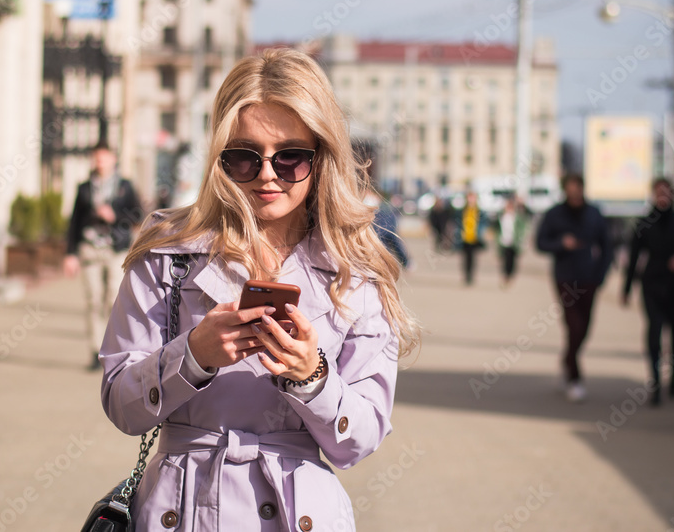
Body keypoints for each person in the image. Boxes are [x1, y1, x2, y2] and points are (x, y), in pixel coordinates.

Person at [99, 49, 421, 530]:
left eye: (291, 156)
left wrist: (312, 377)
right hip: (181, 508)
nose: (268, 173)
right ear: (219, 158)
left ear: (322, 156)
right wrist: (192, 355)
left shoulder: (358, 271)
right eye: (245, 157)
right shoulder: (168, 253)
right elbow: (122, 405)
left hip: (297, 512)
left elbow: (359, 440)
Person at [64, 142, 143, 370]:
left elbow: (138, 214)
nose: (100, 161)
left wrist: (115, 216)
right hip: (90, 249)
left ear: (112, 159)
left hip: (116, 250)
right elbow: (74, 222)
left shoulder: (124, 187)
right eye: (96, 157)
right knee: (93, 300)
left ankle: (115, 348)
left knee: (113, 299)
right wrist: (70, 254)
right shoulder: (85, 188)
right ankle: (95, 351)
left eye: (104, 156)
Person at [536, 173, 612, 403]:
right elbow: (540, 243)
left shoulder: (594, 214)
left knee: (585, 327)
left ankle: (567, 360)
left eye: (577, 187)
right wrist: (561, 243)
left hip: (589, 278)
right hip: (565, 278)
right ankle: (575, 378)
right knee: (573, 325)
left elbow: (607, 247)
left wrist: (600, 276)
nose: (575, 192)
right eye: (570, 188)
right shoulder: (554, 214)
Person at [621, 178, 674, 406]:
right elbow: (633, 257)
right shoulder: (644, 223)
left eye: (666, 192)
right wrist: (626, 288)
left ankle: (672, 377)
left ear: (672, 195)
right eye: (658, 192)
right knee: (654, 332)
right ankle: (654, 381)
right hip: (652, 285)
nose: (662, 196)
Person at [495, 195, 529, 288]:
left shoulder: (517, 217)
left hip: (514, 243)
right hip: (504, 242)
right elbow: (496, 229)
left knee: (512, 262)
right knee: (505, 261)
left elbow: (524, 226)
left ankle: (510, 276)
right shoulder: (502, 216)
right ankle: (505, 277)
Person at [453, 191, 487, 285]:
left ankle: (471, 276)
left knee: (472, 258)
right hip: (464, 238)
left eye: (473, 198)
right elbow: (457, 222)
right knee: (465, 258)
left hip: (474, 238)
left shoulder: (480, 211)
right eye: (469, 197)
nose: (471, 200)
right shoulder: (462, 211)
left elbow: (483, 224)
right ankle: (466, 276)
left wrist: (480, 233)